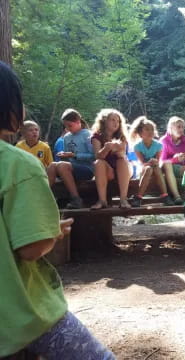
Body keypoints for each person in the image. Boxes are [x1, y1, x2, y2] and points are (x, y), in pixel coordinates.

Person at [0, 61, 115, 359]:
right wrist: (52, 232)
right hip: (23, 315)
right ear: (13, 109)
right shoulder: (19, 164)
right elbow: (32, 247)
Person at [46, 109, 95, 209]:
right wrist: (64, 155)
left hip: (87, 169)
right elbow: (67, 159)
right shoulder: (67, 137)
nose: (67, 129)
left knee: (62, 165)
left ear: (78, 122)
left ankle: (76, 198)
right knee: (52, 165)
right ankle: (45, 197)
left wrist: (74, 155)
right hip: (70, 169)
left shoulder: (87, 135)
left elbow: (94, 156)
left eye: (70, 126)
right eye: (66, 126)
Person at [90, 108, 132, 209]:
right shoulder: (97, 137)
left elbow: (124, 156)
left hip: (123, 171)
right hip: (106, 172)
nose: (116, 123)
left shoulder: (122, 137)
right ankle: (102, 200)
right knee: (98, 162)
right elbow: (97, 156)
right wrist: (107, 148)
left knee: (122, 160)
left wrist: (119, 150)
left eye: (118, 121)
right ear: (104, 121)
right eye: (112, 120)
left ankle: (123, 199)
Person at [129, 116, 173, 207]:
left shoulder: (158, 145)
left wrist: (155, 161)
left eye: (152, 130)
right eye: (147, 129)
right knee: (148, 169)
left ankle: (165, 196)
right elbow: (142, 163)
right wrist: (148, 163)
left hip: (156, 168)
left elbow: (158, 160)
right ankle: (139, 197)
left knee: (156, 168)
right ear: (141, 132)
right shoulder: (137, 146)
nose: (150, 132)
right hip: (144, 169)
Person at [160, 116, 185, 205]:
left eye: (182, 127)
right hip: (168, 167)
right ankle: (177, 196)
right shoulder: (164, 141)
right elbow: (162, 161)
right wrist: (175, 159)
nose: (181, 129)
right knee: (167, 164)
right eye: (178, 126)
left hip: (181, 167)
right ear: (171, 128)